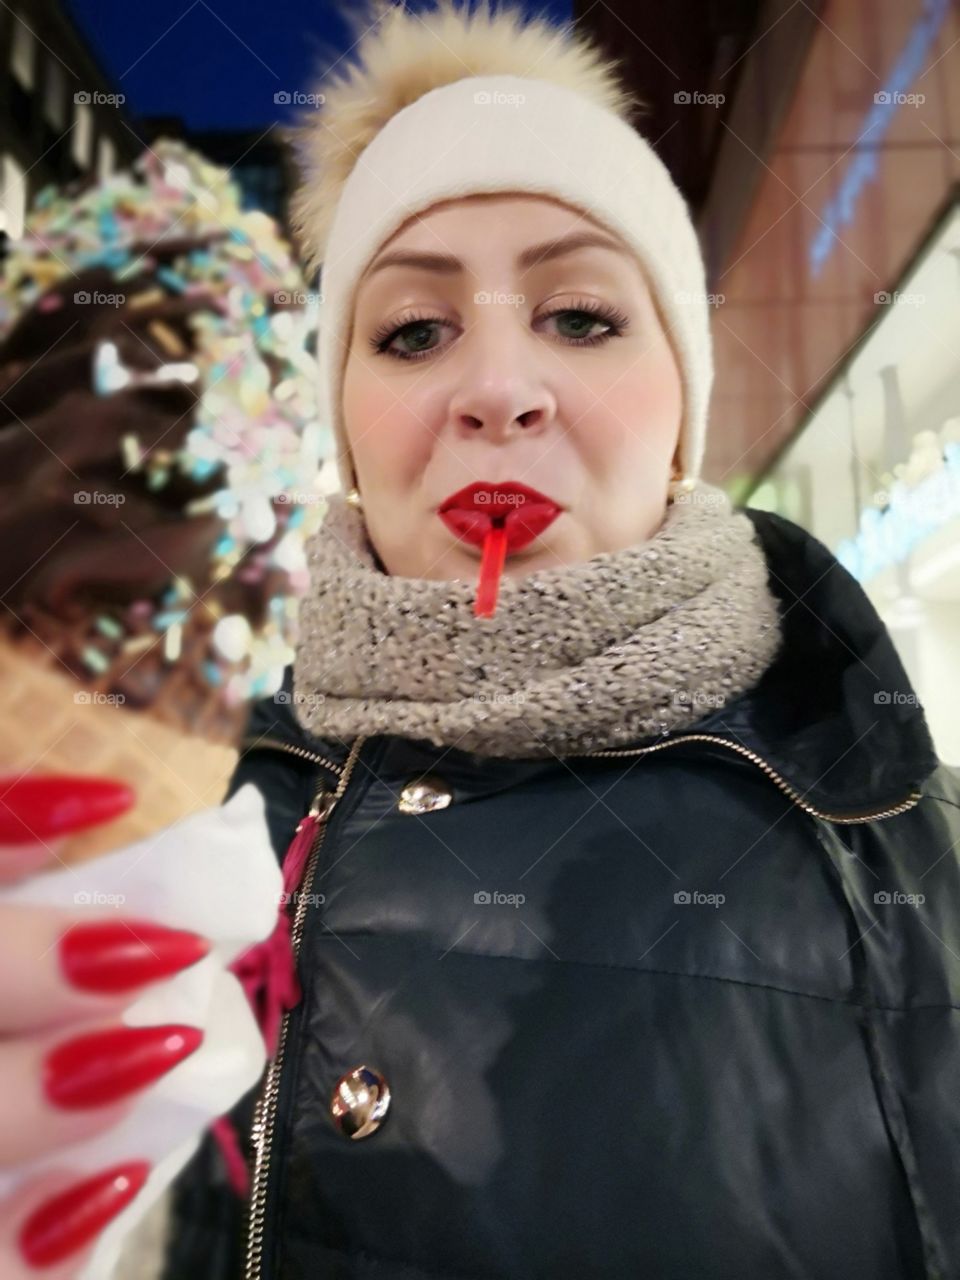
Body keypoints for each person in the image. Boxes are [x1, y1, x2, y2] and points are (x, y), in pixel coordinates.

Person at [3, 2, 959, 1277]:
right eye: (411, 330)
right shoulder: (179, 821)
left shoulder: (904, 861)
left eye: (580, 316)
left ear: (683, 407)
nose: (497, 387)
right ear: (345, 421)